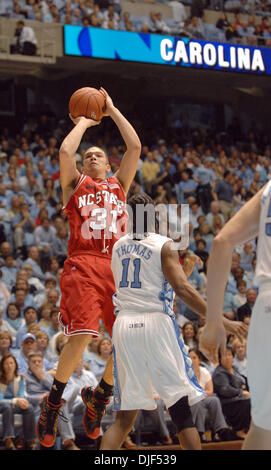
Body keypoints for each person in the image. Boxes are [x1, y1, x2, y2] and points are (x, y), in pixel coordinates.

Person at [36, 87, 141, 448]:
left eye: (99, 154)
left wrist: (111, 109)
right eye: (88, 156)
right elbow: (66, 150)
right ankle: (52, 404)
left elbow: (135, 148)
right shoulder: (75, 185)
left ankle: (99, 397)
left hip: (116, 267)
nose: (92, 156)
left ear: (109, 165)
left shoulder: (119, 185)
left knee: (129, 340)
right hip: (83, 263)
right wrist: (83, 121)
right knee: (82, 335)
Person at [100, 193, 208, 450]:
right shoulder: (164, 244)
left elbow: (147, 283)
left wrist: (184, 271)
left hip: (125, 325)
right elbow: (179, 289)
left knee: (124, 419)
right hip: (155, 324)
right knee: (181, 411)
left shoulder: (117, 246)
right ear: (153, 216)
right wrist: (216, 317)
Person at [199, 181, 271, 449]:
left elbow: (221, 241)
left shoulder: (268, 190)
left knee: (263, 430)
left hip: (265, 307)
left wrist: (214, 322)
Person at [189, 348, 233, 443]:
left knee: (214, 400)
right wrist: (200, 394)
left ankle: (220, 430)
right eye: (189, 358)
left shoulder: (204, 371)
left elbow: (210, 391)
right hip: (191, 402)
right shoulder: (185, 374)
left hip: (202, 399)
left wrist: (198, 394)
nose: (192, 360)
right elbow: (188, 394)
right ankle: (200, 433)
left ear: (199, 359)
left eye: (194, 358)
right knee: (198, 403)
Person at [212, 346, 251, 440]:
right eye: (224, 355)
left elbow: (245, 382)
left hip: (240, 398)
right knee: (247, 402)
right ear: (220, 359)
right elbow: (224, 390)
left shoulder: (234, 369)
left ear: (233, 357)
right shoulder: (219, 373)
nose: (228, 357)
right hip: (228, 402)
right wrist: (241, 392)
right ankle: (240, 431)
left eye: (229, 355)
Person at [0, 354, 37, 450]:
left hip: (14, 405)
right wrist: (15, 400)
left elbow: (22, 394)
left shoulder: (20, 378)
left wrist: (23, 401)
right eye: (6, 364)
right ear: (2, 366)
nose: (9, 366)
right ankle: (8, 438)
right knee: (7, 407)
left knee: (29, 407)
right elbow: (0, 399)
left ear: (15, 365)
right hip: (2, 405)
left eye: (12, 363)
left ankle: (30, 439)